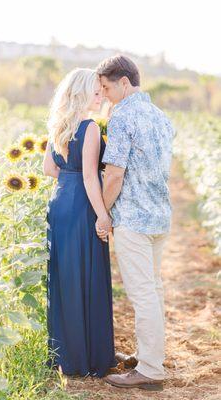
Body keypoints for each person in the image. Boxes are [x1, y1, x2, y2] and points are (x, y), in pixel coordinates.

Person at [95, 55, 175, 391]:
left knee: (143, 294)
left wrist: (102, 211)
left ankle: (151, 370)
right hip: (159, 215)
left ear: (124, 82)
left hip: (133, 219)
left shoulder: (123, 115)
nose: (105, 95)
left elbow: (114, 174)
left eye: (107, 87)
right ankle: (148, 356)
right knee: (153, 290)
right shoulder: (161, 117)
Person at [43, 68, 117, 377]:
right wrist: (102, 214)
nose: (101, 97)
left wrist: (68, 180)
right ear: (81, 94)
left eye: (102, 91)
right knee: (87, 276)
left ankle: (67, 356)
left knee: (65, 278)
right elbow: (90, 176)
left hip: (60, 203)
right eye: (96, 92)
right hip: (82, 206)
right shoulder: (89, 127)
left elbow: (49, 169)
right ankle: (90, 356)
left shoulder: (57, 124)